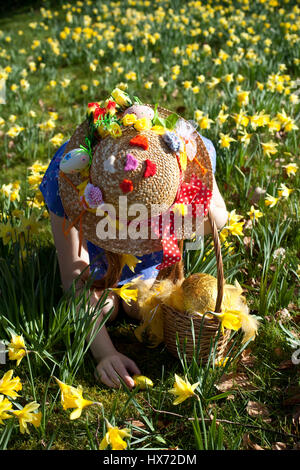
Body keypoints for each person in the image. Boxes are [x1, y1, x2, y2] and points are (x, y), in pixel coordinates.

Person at [40, 93, 228, 389]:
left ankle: (130, 291)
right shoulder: (69, 177)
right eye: (126, 229)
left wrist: (171, 220)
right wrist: (105, 353)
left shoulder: (186, 154)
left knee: (142, 307)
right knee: (103, 309)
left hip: (156, 252)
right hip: (99, 261)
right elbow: (74, 276)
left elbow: (218, 217)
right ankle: (114, 294)